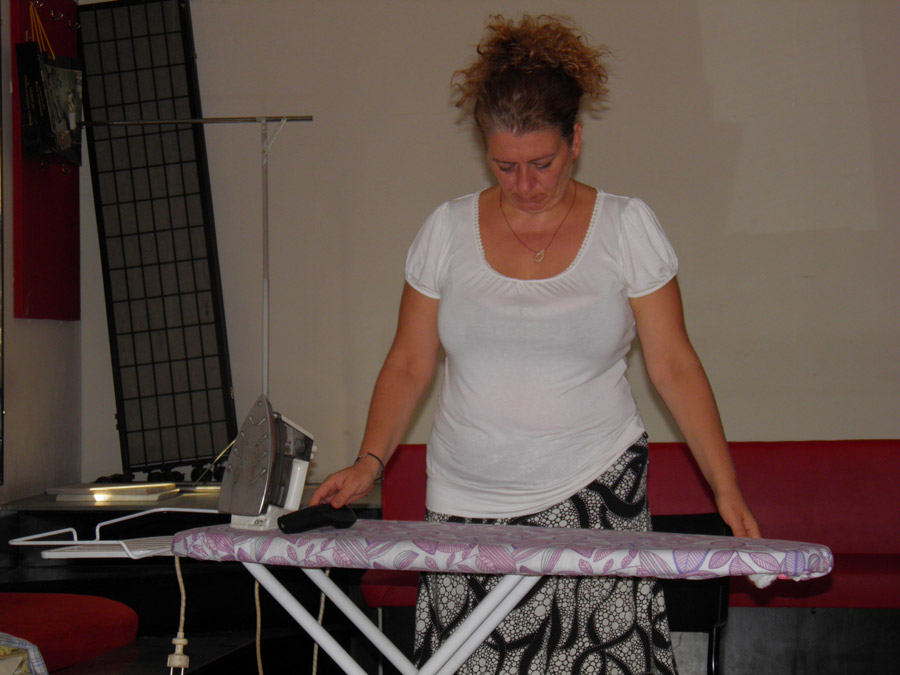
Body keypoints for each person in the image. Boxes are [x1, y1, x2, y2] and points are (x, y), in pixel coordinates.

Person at [311, 13, 760, 674]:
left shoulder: (626, 227)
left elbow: (674, 366)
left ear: (575, 139)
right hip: (465, 501)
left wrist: (725, 487)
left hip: (594, 488)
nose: (525, 184)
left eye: (542, 163)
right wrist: (369, 461)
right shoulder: (446, 230)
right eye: (506, 166)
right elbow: (408, 363)